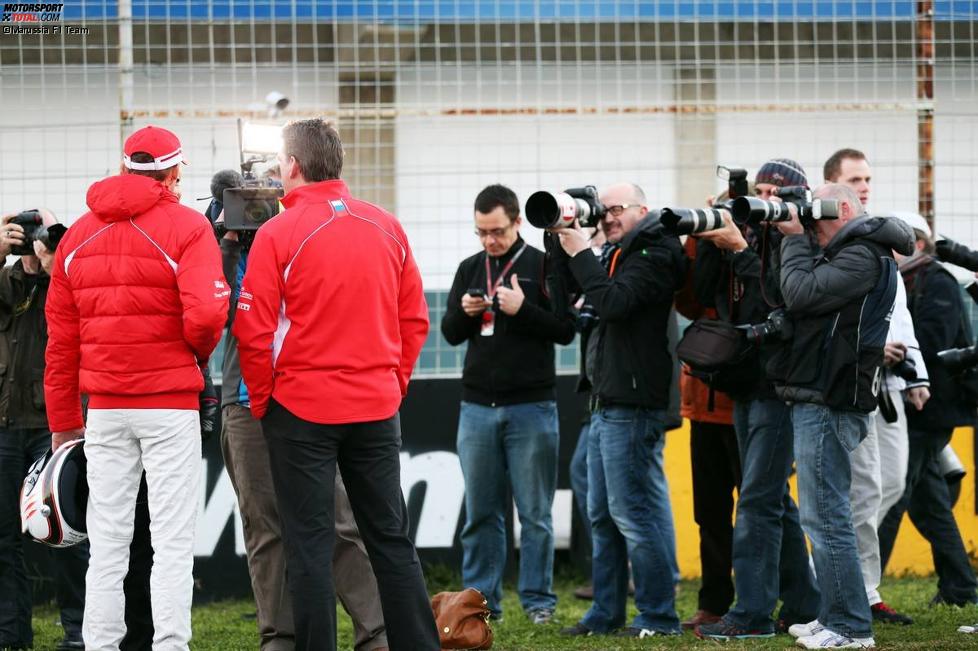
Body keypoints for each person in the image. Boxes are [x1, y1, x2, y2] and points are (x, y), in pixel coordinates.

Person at [232, 118, 440, 651]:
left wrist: (262, 400)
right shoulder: (386, 224)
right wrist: (393, 384)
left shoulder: (279, 231)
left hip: (301, 409)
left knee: (308, 544)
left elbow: (253, 328)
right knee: (391, 539)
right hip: (374, 407)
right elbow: (414, 319)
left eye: (281, 161)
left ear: (294, 166)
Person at [43, 125, 228, 650]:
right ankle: (170, 645)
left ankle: (100, 644)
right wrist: (195, 355)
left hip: (103, 411)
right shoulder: (188, 226)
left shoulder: (77, 235)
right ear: (174, 172)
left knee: (107, 544)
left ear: (125, 168)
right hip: (169, 407)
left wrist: (62, 424)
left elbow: (60, 345)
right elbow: (209, 312)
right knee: (171, 542)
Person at [217, 199, 389, 651]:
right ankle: (280, 637)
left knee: (338, 520)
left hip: (305, 401)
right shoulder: (220, 240)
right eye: (243, 203)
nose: (252, 213)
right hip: (244, 402)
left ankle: (376, 633)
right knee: (264, 525)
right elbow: (218, 313)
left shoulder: (301, 232)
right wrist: (228, 243)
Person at [772, 183, 914, 649]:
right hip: (820, 391)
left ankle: (850, 626)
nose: (812, 223)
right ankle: (833, 613)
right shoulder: (849, 253)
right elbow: (790, 295)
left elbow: (799, 293)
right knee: (824, 513)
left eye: (818, 213)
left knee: (827, 516)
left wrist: (794, 239)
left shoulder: (862, 256)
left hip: (830, 397)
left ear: (845, 208)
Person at [693, 159, 820, 640]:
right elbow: (704, 294)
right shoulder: (744, 232)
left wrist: (742, 247)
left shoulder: (800, 240)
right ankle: (806, 602)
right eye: (757, 191)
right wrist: (715, 238)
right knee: (771, 499)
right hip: (745, 382)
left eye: (773, 192)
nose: (761, 200)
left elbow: (780, 300)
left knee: (757, 500)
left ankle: (751, 613)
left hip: (780, 385)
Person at [554, 182, 686, 638]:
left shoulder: (657, 252)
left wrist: (580, 255)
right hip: (606, 401)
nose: (608, 217)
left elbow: (613, 303)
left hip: (633, 404)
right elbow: (565, 296)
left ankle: (657, 616)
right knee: (603, 516)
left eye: (617, 210)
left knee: (633, 514)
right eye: (603, 210)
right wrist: (561, 238)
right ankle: (605, 613)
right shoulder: (615, 252)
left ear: (643, 210)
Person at [441, 184, 575, 623]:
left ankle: (538, 602)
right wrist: (464, 310)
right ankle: (481, 603)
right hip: (477, 406)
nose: (489, 240)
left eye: (496, 231)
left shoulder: (542, 265)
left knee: (534, 513)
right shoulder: (468, 268)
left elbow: (564, 329)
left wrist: (523, 309)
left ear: (517, 222)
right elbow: (451, 333)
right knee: (481, 512)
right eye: (481, 232)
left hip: (531, 406)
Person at [824, 148, 929, 625]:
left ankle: (855, 584)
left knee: (891, 483)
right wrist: (873, 351)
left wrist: (917, 375)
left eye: (868, 177)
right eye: (855, 179)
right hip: (855, 384)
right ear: (834, 186)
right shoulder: (827, 239)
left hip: (891, 384)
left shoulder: (882, 236)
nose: (865, 185)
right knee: (862, 491)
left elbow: (899, 313)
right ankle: (859, 592)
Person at [877, 214, 978, 608]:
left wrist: (898, 353)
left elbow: (933, 345)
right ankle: (959, 587)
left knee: (892, 495)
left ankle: (864, 592)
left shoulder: (936, 281)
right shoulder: (909, 281)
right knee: (928, 503)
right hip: (920, 408)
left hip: (932, 409)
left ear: (916, 244)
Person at [0, 209, 87, 651]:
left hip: (54, 425)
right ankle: (12, 634)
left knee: (68, 532)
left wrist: (57, 252)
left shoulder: (64, 278)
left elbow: (79, 314)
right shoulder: (6, 281)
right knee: (3, 539)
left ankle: (78, 630)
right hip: (5, 423)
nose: (33, 243)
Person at [673, 236, 740, 631]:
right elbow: (688, 303)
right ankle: (713, 603)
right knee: (710, 514)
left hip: (744, 406)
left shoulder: (759, 247)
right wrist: (699, 241)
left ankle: (765, 600)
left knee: (761, 512)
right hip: (702, 403)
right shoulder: (705, 247)